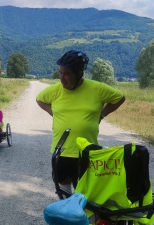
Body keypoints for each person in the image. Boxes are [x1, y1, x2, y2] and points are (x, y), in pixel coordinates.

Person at [36, 50, 125, 208]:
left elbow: (119, 98)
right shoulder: (55, 90)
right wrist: (54, 113)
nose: (62, 78)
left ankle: (83, 218)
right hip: (61, 149)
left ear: (79, 73)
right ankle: (64, 212)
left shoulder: (96, 88)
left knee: (84, 190)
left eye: (67, 74)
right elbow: (40, 99)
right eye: (60, 73)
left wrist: (101, 115)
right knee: (63, 184)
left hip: (86, 151)